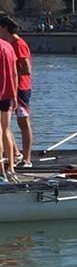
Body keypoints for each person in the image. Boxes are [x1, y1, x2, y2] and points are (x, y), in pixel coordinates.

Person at [0, 16, 31, 169]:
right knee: (4, 125)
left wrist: (8, 74)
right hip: (9, 87)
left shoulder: (18, 44)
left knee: (23, 123)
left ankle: (27, 159)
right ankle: (16, 154)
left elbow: (27, 69)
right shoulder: (7, 44)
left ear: (4, 27)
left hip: (21, 88)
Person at [0, 33, 16, 180]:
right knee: (5, 130)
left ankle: (1, 172)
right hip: (8, 94)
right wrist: (15, 95)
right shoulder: (8, 46)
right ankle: (10, 168)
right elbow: (15, 73)